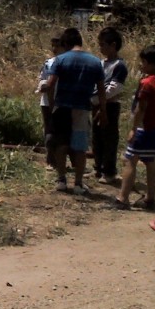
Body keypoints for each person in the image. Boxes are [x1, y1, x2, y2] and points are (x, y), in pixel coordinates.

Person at [42, 27, 106, 195]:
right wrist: (103, 111)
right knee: (79, 147)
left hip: (62, 107)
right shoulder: (95, 62)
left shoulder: (60, 60)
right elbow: (101, 90)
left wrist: (51, 105)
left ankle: (62, 180)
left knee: (61, 145)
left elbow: (50, 84)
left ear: (65, 43)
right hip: (82, 109)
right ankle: (78, 183)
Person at [113, 45, 155, 211]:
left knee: (131, 160)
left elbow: (141, 108)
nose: (141, 65)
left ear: (151, 64)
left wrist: (134, 128)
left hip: (146, 128)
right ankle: (150, 199)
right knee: (151, 161)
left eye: (143, 62)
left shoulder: (146, 83)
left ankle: (122, 198)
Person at [91, 27, 128, 184]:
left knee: (109, 138)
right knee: (96, 137)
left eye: (103, 44)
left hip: (110, 106)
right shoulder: (100, 64)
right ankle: (98, 168)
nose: (100, 47)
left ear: (113, 45)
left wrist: (97, 100)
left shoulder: (119, 65)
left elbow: (114, 88)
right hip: (97, 105)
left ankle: (110, 171)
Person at [37, 37, 66, 170]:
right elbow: (42, 79)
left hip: (62, 101)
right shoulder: (48, 63)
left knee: (63, 132)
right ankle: (50, 159)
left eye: (57, 46)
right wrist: (43, 85)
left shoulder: (67, 62)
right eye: (53, 46)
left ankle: (65, 160)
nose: (54, 49)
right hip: (47, 101)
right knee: (49, 130)